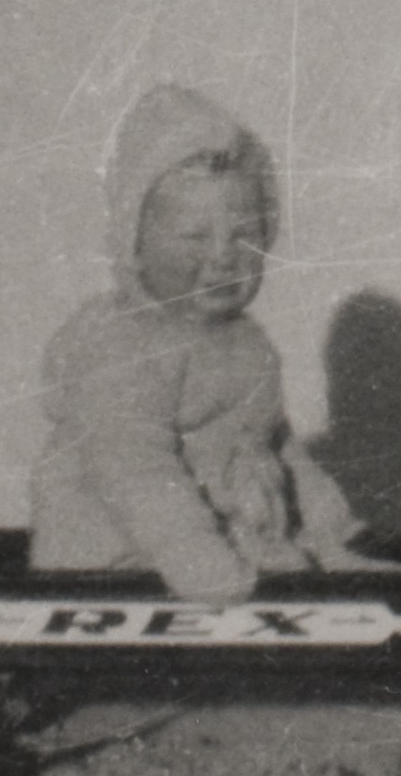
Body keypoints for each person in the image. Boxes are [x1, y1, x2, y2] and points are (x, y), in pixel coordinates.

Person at [31, 85, 357, 599]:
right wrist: (204, 568)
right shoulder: (121, 344)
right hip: (128, 564)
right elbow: (136, 473)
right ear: (135, 242)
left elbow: (277, 448)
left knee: (313, 584)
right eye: (194, 237)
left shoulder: (247, 344)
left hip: (231, 547)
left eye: (244, 235)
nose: (224, 256)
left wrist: (330, 527)